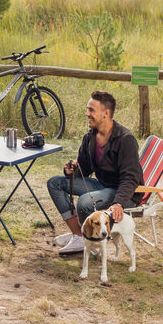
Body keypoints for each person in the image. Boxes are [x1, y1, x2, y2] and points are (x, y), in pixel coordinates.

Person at [47, 90, 144, 254]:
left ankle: (90, 239)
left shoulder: (125, 139)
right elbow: (84, 169)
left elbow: (130, 177)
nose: (87, 114)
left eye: (91, 110)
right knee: (54, 183)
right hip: (102, 186)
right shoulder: (90, 137)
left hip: (124, 194)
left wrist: (119, 202)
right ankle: (79, 235)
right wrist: (72, 171)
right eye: (87, 109)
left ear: (106, 113)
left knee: (84, 202)